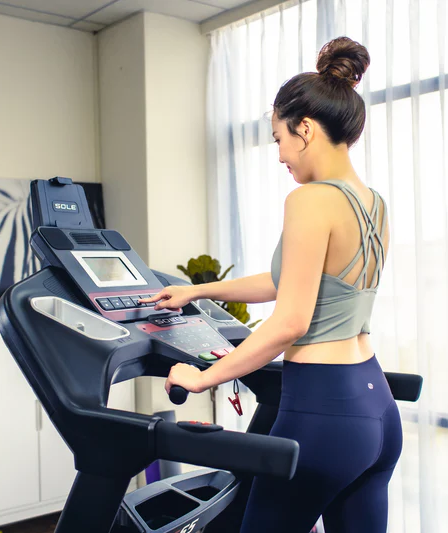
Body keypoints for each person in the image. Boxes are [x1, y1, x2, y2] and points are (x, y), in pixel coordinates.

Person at [139, 36, 401, 533]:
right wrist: (198, 291)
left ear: (305, 129)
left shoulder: (309, 199)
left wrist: (200, 379)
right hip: (375, 407)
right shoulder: (374, 204)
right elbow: (292, 283)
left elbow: (290, 323)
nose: (280, 155)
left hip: (323, 412)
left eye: (280, 138)